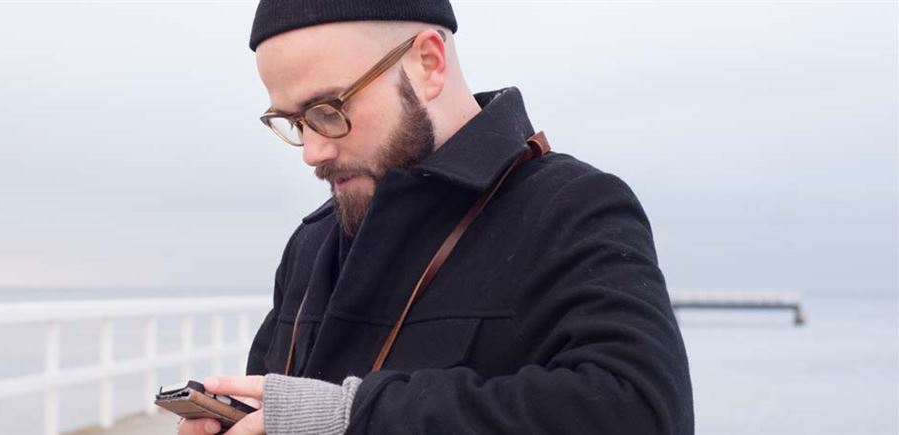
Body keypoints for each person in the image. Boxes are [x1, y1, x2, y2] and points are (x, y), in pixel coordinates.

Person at [175, 1, 694, 434]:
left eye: (328, 109)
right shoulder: (311, 244)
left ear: (428, 63)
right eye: (292, 122)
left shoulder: (570, 207)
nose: (312, 151)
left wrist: (351, 419)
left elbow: (641, 410)